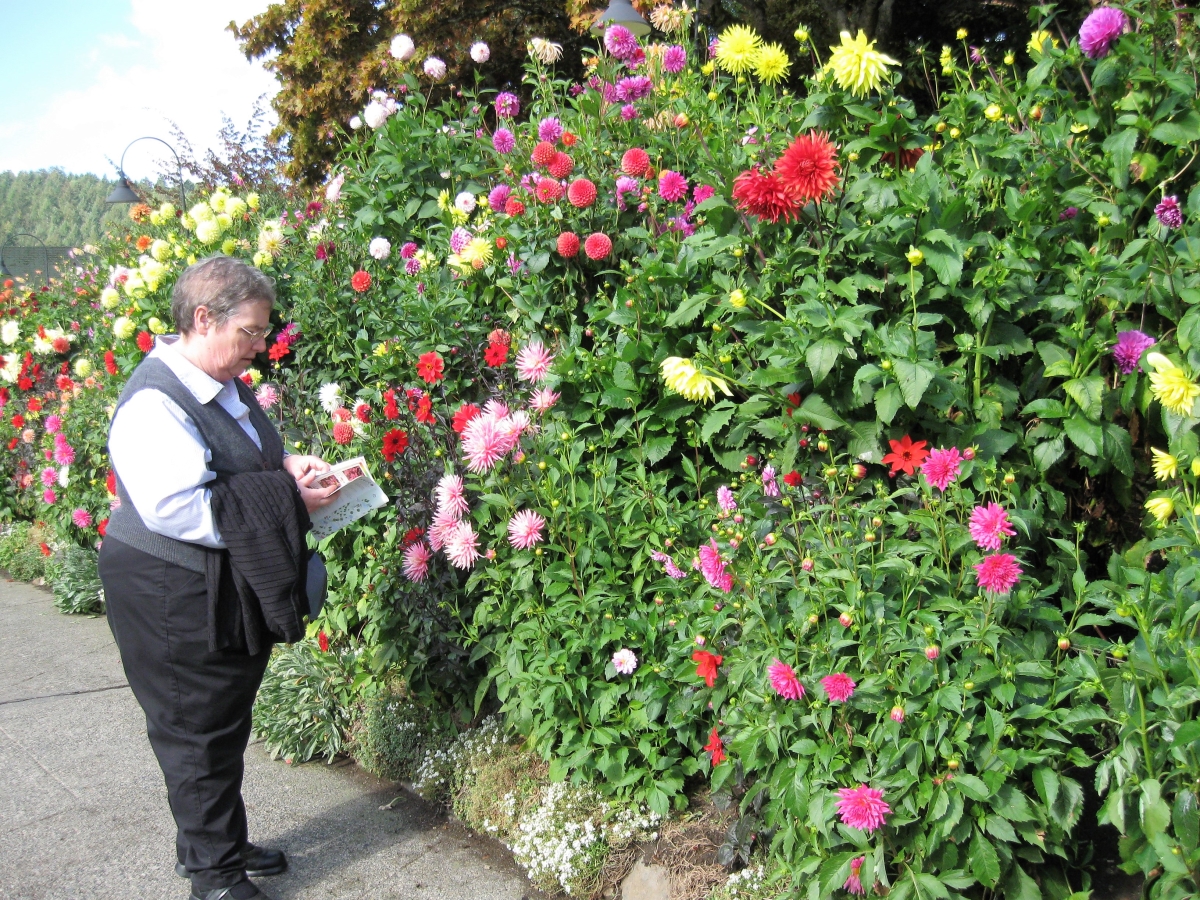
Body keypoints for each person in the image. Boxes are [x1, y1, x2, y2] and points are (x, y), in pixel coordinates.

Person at [99, 255, 335, 900]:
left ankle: (211, 842)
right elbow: (177, 508)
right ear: (204, 319)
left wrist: (287, 468)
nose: (258, 349)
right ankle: (215, 878)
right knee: (195, 728)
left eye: (261, 334)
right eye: (251, 333)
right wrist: (289, 504)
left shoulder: (221, 384)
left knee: (222, 717)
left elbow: (242, 468)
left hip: (213, 580)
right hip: (168, 586)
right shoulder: (155, 403)